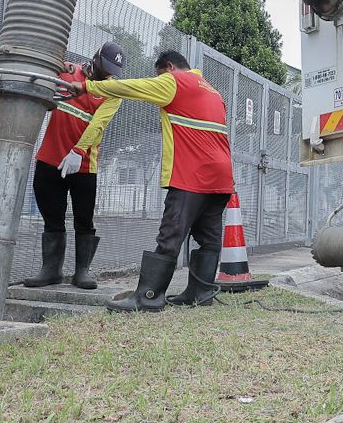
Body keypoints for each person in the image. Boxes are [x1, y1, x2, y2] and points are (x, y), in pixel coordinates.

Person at [68, 49, 233, 312]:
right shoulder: (213, 91)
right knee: (208, 237)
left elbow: (131, 88)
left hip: (192, 174)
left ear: (168, 67)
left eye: (158, 76)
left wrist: (87, 86)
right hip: (222, 177)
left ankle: (148, 296)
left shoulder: (174, 81)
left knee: (170, 234)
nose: (157, 83)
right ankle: (200, 293)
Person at [23, 42, 125, 290]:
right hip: (50, 158)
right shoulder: (69, 72)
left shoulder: (113, 91)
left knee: (84, 219)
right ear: (96, 57)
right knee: (52, 217)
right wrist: (60, 65)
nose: (108, 73)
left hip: (84, 164)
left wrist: (79, 151)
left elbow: (98, 124)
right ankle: (51, 271)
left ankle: (82, 272)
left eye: (113, 70)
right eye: (105, 66)